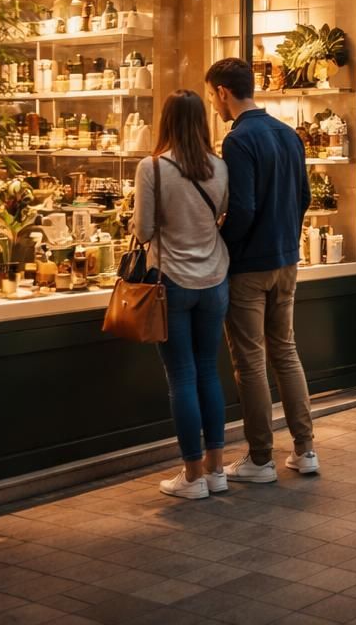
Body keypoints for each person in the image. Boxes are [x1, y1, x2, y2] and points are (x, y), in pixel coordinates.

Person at [205, 58, 317, 483]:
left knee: (250, 361)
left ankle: (260, 458)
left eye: (213, 95)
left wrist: (225, 246)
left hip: (249, 266)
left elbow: (244, 207)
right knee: (285, 352)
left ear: (222, 92)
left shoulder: (238, 140)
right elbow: (304, 197)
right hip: (286, 260)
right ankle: (305, 450)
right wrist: (285, 236)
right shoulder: (289, 134)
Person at [136, 91, 231, 500]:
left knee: (182, 377)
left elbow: (142, 230)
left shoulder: (152, 167)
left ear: (166, 121)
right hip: (214, 280)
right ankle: (216, 469)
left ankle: (192, 476)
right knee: (209, 370)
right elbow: (222, 214)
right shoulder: (220, 166)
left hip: (171, 281)